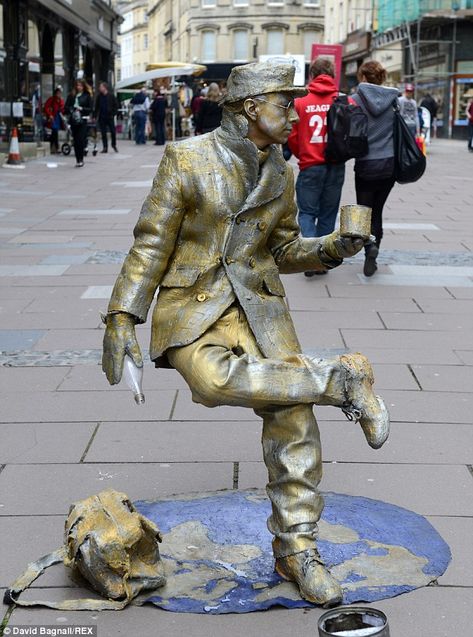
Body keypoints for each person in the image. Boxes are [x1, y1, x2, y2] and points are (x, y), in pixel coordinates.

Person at [102, 62, 390, 607]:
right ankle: (339, 379)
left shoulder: (281, 171)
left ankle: (297, 550)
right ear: (251, 107)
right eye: (286, 105)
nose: (294, 115)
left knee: (293, 418)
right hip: (196, 305)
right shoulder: (187, 158)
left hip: (259, 308)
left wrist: (336, 246)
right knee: (211, 382)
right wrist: (122, 317)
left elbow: (281, 250)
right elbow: (150, 242)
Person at [288, 57, 346, 278]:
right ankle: (323, 260)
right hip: (335, 165)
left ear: (311, 75)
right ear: (332, 75)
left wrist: (302, 152)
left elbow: (291, 134)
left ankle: (309, 260)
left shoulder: (300, 102)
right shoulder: (341, 99)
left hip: (310, 165)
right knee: (328, 214)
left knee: (306, 213)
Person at [351, 61, 399, 277]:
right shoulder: (393, 99)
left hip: (365, 164)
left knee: (364, 210)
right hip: (388, 164)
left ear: (362, 77)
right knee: (378, 211)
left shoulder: (356, 99)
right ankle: (374, 252)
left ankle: (369, 247)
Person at [64, 79, 93, 168]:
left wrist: (82, 109)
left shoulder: (87, 96)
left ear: (83, 86)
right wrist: (72, 109)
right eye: (77, 85)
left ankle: (81, 159)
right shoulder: (71, 95)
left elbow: (90, 108)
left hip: (83, 120)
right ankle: (77, 159)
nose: (78, 87)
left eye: (80, 85)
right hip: (73, 120)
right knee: (76, 140)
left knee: (81, 139)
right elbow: (66, 107)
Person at [94, 81, 119, 153]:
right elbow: (97, 107)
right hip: (102, 117)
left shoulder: (111, 96)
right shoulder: (99, 96)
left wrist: (114, 113)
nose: (99, 88)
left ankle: (113, 144)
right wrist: (95, 115)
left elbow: (116, 105)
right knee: (103, 133)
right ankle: (105, 147)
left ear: (105, 88)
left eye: (101, 87)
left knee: (113, 131)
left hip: (110, 117)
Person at [43, 88, 64, 154]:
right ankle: (56, 147)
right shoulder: (51, 99)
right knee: (54, 131)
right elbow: (46, 107)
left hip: (58, 118)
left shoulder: (61, 100)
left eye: (60, 93)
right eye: (58, 93)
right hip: (53, 118)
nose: (59, 94)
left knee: (54, 133)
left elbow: (63, 108)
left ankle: (52, 147)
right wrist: (49, 115)